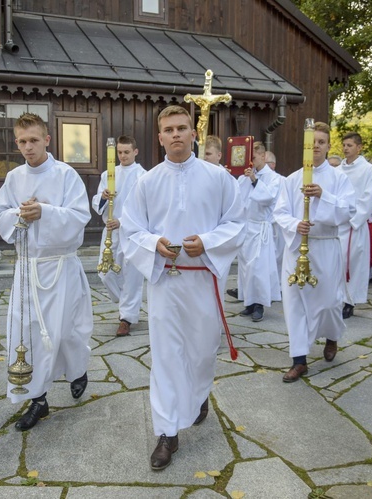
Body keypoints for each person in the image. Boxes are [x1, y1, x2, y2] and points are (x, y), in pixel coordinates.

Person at [120, 105, 244, 471]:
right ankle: (167, 431)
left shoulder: (219, 177)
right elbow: (131, 229)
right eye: (168, 130)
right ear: (159, 138)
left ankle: (199, 393)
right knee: (166, 354)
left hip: (204, 278)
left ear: (193, 134)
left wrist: (207, 241)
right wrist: (153, 242)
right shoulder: (147, 181)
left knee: (202, 351)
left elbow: (237, 222)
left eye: (182, 128)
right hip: (165, 280)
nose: (175, 134)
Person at [0, 113, 93, 431]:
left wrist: (45, 212)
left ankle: (77, 370)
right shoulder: (14, 177)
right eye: (21, 141)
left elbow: (80, 216)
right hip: (27, 267)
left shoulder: (66, 174)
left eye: (33, 140)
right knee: (30, 334)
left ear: (47, 140)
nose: (27, 147)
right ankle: (38, 400)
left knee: (64, 332)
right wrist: (20, 214)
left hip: (59, 265)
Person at [274, 122, 356, 382]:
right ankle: (299, 360)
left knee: (330, 302)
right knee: (294, 304)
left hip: (325, 245)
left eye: (321, 142)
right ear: (305, 147)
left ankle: (331, 337)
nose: (316, 147)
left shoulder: (338, 178)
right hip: (297, 247)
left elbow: (348, 211)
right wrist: (294, 224)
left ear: (327, 145)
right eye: (312, 143)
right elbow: (280, 212)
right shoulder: (292, 179)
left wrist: (323, 196)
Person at [92, 135, 146, 336]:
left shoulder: (142, 176)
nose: (122, 156)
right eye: (119, 152)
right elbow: (97, 200)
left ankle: (127, 318)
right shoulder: (108, 174)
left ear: (135, 152)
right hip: (111, 231)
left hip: (131, 232)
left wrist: (122, 221)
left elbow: (143, 207)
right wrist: (103, 197)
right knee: (104, 272)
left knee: (131, 275)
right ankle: (127, 302)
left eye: (126, 152)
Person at [231, 141, 281, 322]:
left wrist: (254, 180)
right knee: (245, 269)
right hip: (246, 226)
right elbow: (237, 199)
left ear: (263, 156)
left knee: (258, 268)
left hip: (261, 228)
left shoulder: (274, 178)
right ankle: (249, 302)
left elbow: (268, 198)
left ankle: (259, 305)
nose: (250, 163)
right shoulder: (243, 177)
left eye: (253, 158)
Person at [338, 132, 372, 318]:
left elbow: (369, 197)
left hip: (354, 224)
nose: (346, 148)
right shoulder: (338, 169)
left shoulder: (368, 169)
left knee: (353, 264)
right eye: (344, 145)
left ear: (359, 147)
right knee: (337, 263)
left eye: (350, 145)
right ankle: (336, 298)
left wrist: (354, 219)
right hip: (338, 223)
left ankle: (350, 301)